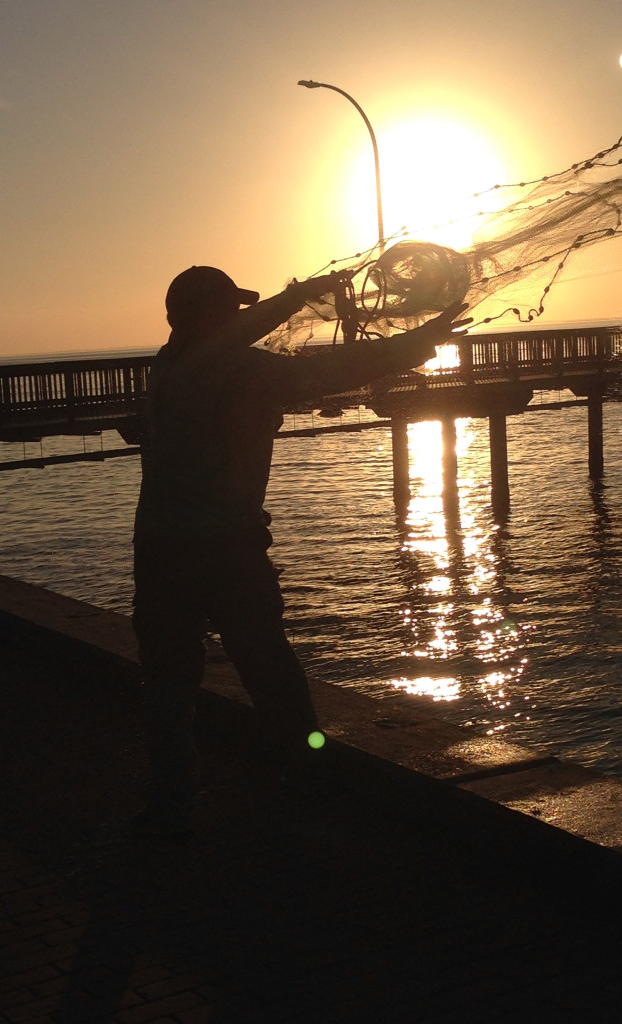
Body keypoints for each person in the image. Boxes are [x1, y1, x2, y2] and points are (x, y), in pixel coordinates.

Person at [131, 265, 469, 835]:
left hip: (159, 547)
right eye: (230, 309)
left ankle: (172, 799)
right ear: (210, 313)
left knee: (167, 680)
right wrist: (422, 341)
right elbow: (336, 368)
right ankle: (309, 771)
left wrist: (299, 296)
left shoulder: (170, 363)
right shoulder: (235, 369)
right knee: (268, 666)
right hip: (224, 549)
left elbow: (238, 331)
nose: (241, 318)